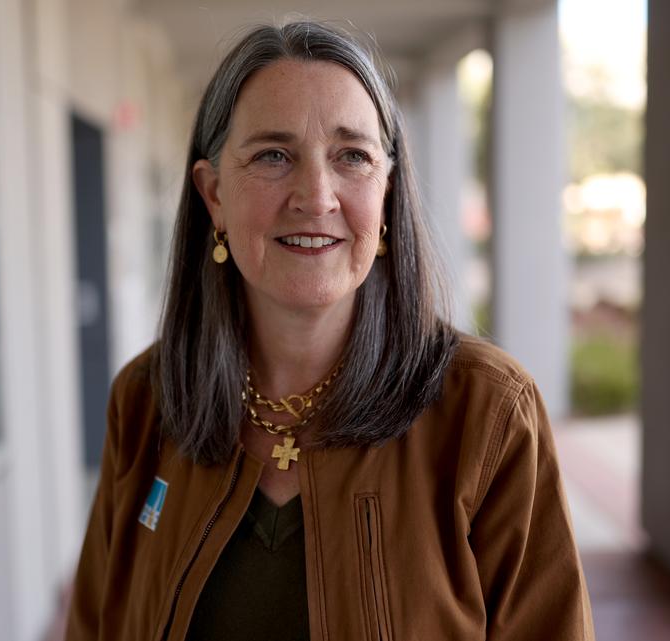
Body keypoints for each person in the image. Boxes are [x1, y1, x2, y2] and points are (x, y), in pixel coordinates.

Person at [66, 20, 594, 641]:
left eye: (352, 156)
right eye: (272, 155)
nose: (316, 197)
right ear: (213, 196)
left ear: (387, 192)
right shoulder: (147, 399)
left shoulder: (490, 415)